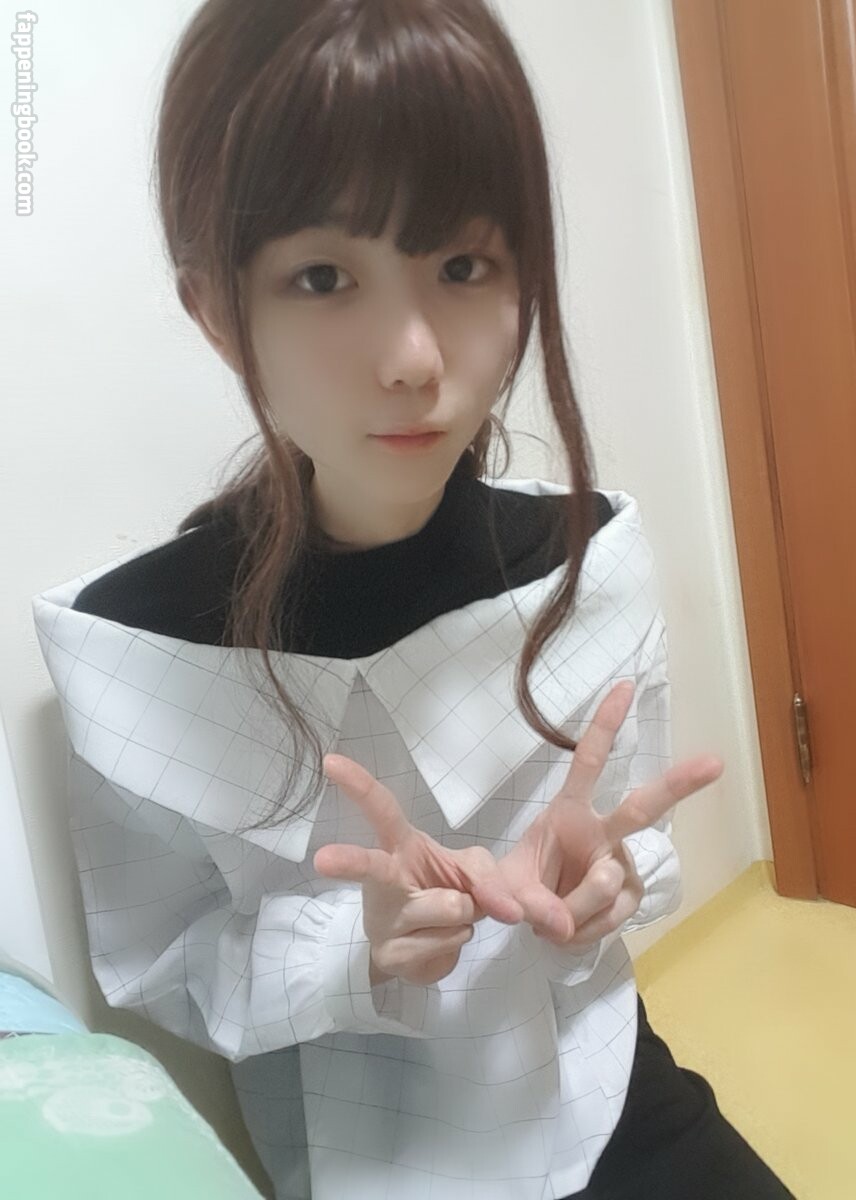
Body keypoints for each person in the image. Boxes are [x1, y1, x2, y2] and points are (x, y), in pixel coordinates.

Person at [31, 2, 796, 1197]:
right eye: (324, 276)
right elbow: (168, 963)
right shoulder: (142, 653)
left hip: (598, 1086)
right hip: (374, 1152)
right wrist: (359, 948)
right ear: (217, 310)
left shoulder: (586, 556)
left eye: (462, 266)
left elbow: (628, 837)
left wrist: (607, 885)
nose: (413, 358)